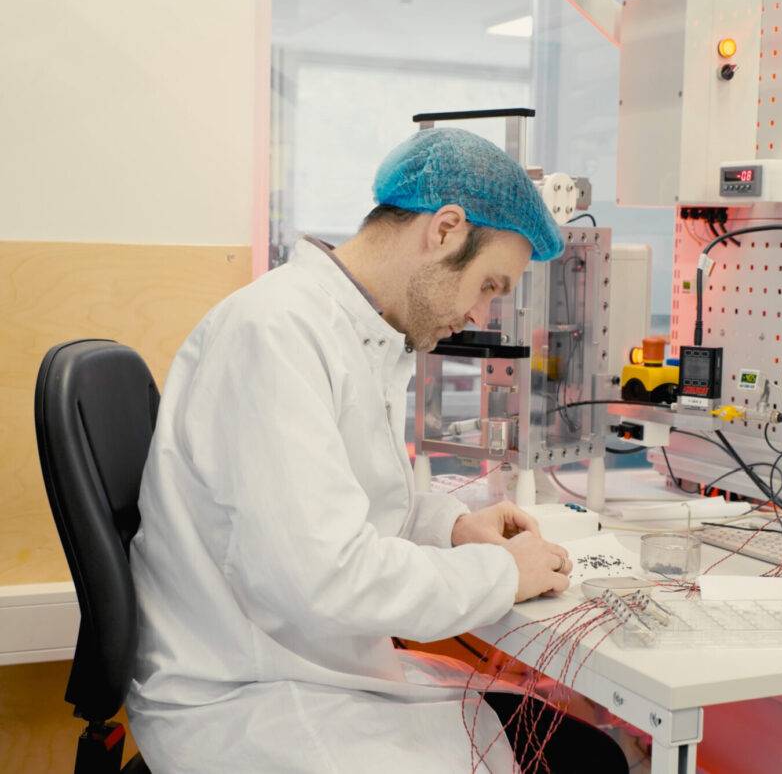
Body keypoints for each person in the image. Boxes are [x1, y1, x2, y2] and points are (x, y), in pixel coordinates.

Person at [126, 128, 627, 772]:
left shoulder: (358, 333)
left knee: (582, 749)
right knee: (588, 762)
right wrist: (505, 575)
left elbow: (349, 501)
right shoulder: (276, 333)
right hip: (250, 696)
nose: (481, 313)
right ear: (445, 230)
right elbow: (327, 577)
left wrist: (453, 527)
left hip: (306, 663)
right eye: (490, 285)